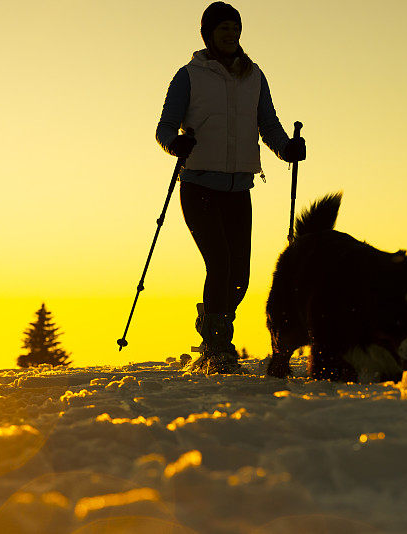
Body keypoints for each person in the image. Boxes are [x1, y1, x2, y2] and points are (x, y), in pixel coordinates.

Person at [156, 2, 306, 374]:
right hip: (198, 185)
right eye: (223, 28)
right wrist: (175, 144)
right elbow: (164, 127)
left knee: (240, 275)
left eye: (235, 28)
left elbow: (267, 123)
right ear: (207, 33)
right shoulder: (188, 76)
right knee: (219, 262)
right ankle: (218, 345)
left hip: (240, 188)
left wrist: (287, 148)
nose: (230, 34)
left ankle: (212, 321)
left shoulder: (254, 76)